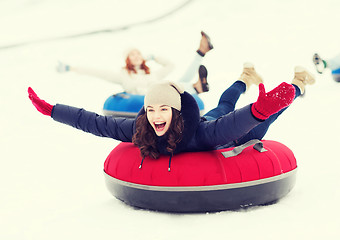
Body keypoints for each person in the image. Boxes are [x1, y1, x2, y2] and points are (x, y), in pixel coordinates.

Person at [28, 63, 315, 171]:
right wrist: (53, 110)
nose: (156, 116)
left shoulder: (200, 134)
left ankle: (297, 83)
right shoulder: (141, 130)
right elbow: (96, 122)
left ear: (175, 112)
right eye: (151, 110)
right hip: (210, 123)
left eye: (163, 109)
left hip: (231, 134)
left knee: (256, 112)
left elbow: (230, 126)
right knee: (224, 105)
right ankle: (246, 76)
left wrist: (257, 111)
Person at [56, 31, 213, 95]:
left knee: (182, 80)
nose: (136, 55)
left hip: (166, 89)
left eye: (138, 53)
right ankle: (196, 86)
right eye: (132, 54)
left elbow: (171, 66)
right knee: (181, 83)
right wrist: (71, 68)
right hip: (154, 97)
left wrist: (154, 57)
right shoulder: (123, 75)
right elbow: (98, 72)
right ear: (127, 59)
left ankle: (201, 52)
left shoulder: (151, 72)